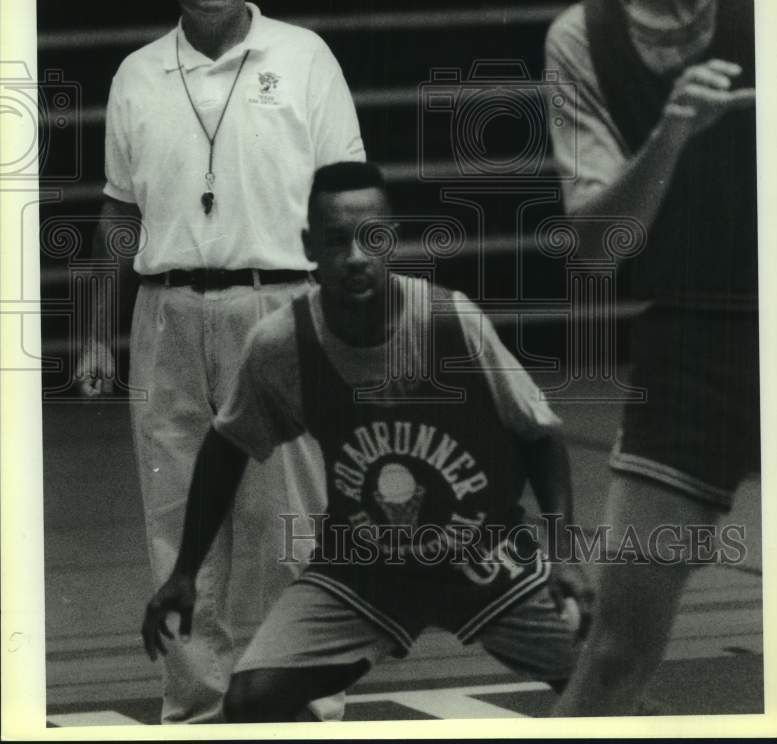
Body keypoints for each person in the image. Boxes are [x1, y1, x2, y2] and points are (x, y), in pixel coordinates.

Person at [141, 161, 593, 721]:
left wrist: (563, 553)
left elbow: (540, 437)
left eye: (371, 238)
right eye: (336, 241)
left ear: (391, 241)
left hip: (485, 553)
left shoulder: (450, 323)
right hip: (366, 563)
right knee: (252, 701)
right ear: (310, 247)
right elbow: (226, 446)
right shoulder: (283, 343)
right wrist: (185, 571)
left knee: (607, 679)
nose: (355, 255)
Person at [76, 0, 365, 723]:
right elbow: (119, 213)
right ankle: (198, 712)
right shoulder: (137, 74)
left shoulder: (304, 57)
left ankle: (295, 707)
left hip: (282, 309)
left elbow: (347, 199)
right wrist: (97, 334)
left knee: (289, 524)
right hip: (167, 318)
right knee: (177, 524)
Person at [543, 0, 758, 715]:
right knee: (614, 654)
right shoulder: (580, 40)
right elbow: (597, 251)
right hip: (694, 347)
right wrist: (669, 135)